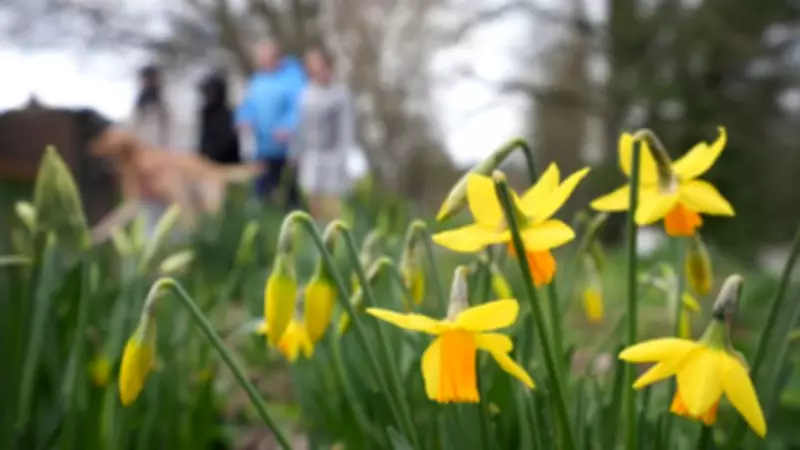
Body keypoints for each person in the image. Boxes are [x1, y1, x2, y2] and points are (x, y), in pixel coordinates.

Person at [235, 40, 306, 208]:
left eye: (265, 58)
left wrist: (288, 126)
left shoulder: (293, 78)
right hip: (263, 148)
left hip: (289, 149)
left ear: (277, 58)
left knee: (291, 192)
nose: (262, 62)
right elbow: (248, 105)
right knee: (261, 192)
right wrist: (243, 119)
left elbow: (299, 107)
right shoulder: (257, 81)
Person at [292, 46, 355, 222]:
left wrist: (345, 155)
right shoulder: (305, 94)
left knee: (333, 203)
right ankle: (317, 235)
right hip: (311, 153)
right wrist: (296, 151)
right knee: (313, 199)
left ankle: (335, 235)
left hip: (334, 154)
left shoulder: (340, 94)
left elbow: (346, 127)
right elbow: (301, 126)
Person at [197, 71, 240, 164]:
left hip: (225, 163)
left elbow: (227, 142)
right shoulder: (206, 112)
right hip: (208, 161)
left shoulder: (226, 113)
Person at [131, 64, 173, 148]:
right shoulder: (141, 99)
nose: (148, 82)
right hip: (141, 144)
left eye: (151, 78)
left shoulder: (163, 97)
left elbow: (167, 125)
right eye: (146, 79)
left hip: (159, 145)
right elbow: (136, 122)